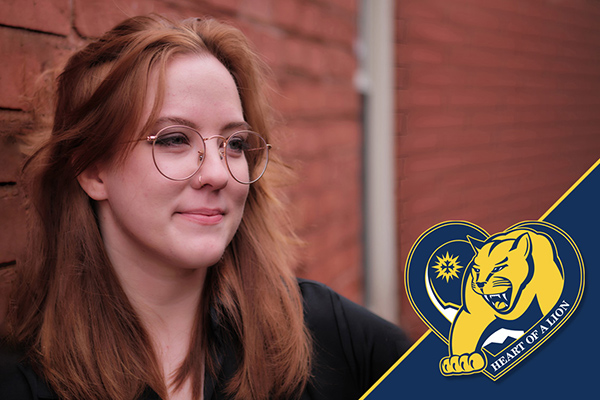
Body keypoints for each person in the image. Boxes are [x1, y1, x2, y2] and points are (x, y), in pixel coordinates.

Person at [0, 14, 411, 400]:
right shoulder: (24, 381)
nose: (218, 174)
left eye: (234, 144)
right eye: (175, 139)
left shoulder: (319, 332)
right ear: (92, 170)